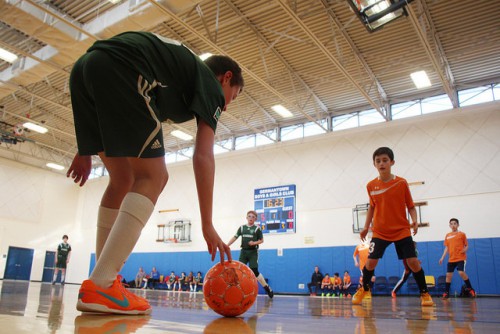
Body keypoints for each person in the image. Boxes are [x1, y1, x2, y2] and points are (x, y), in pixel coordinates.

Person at [67, 31, 243, 315]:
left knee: (123, 178)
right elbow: (203, 156)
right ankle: (102, 284)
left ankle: (105, 282)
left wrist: (85, 148)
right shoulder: (210, 85)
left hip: (85, 68)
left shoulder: (177, 78)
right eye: (232, 96)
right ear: (225, 77)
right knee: (154, 177)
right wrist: (207, 223)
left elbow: (109, 101)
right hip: (122, 67)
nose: (227, 104)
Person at [352, 147, 434, 307]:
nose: (381, 163)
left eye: (385, 160)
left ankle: (424, 293)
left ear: (392, 162)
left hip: (401, 230)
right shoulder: (371, 186)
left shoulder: (401, 183)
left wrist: (415, 220)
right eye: (378, 161)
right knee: (370, 263)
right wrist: (365, 226)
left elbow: (410, 206)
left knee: (413, 262)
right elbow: (372, 207)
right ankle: (365, 289)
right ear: (374, 164)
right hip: (380, 231)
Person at [227, 210, 274, 298]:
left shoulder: (257, 229)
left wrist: (254, 243)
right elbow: (235, 237)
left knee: (254, 271)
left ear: (255, 219)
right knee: (239, 271)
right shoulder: (242, 228)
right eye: (249, 216)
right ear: (246, 217)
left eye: (253, 217)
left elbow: (261, 240)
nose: (251, 218)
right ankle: (238, 291)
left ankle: (266, 287)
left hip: (253, 252)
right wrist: (227, 245)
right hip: (244, 251)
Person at [438, 218, 476, 298]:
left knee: (461, 272)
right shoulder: (448, 235)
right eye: (451, 224)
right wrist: (442, 257)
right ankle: (446, 292)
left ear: (458, 225)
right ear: (449, 225)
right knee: (448, 275)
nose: (453, 225)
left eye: (455, 223)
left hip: (460, 258)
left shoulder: (462, 234)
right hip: (451, 259)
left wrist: (464, 250)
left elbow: (466, 245)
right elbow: (447, 248)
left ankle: (471, 289)